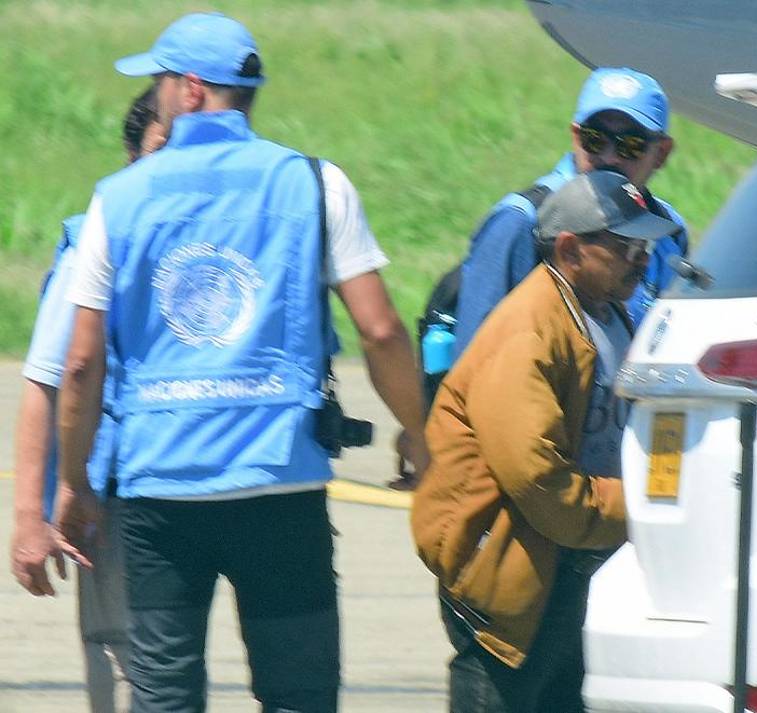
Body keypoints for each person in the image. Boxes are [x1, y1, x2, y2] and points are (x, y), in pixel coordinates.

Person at [51, 12, 430, 713]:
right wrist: (420, 430)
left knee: (166, 693)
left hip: (161, 490)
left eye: (162, 80)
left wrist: (73, 481)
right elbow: (380, 331)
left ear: (191, 90)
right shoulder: (317, 184)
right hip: (280, 484)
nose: (159, 94)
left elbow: (80, 364)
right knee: (299, 693)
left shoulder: (120, 197)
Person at [412, 169, 681, 712]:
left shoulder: (604, 313)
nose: (640, 259)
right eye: (625, 246)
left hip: (571, 562)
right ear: (570, 249)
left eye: (645, 246)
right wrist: (641, 510)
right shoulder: (529, 333)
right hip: (512, 577)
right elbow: (539, 479)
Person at [9, 86, 164, 713]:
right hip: (120, 488)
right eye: (161, 148)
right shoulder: (98, 241)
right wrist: (33, 514)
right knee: (126, 649)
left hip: (200, 482)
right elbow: (54, 375)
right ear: (131, 156)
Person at [451, 66, 689, 357]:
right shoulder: (522, 221)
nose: (609, 157)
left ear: (661, 153)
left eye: (631, 145)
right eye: (595, 139)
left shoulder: (668, 230)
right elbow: (475, 357)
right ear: (576, 136)